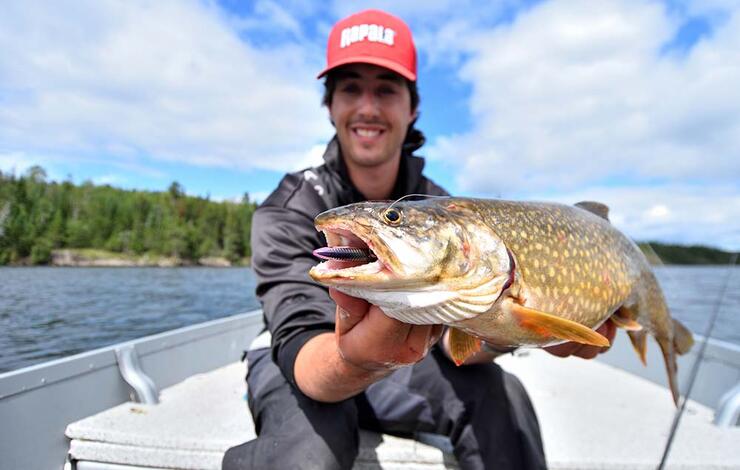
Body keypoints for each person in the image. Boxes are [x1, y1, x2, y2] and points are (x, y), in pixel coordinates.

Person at [223, 9, 616, 470]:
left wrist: (516, 330)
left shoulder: (450, 212)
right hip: (304, 360)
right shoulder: (290, 209)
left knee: (502, 397)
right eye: (351, 87)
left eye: (386, 90)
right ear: (330, 105)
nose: (368, 107)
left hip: (412, 360)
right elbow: (303, 353)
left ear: (412, 109)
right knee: (308, 454)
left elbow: (456, 344)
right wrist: (357, 358)